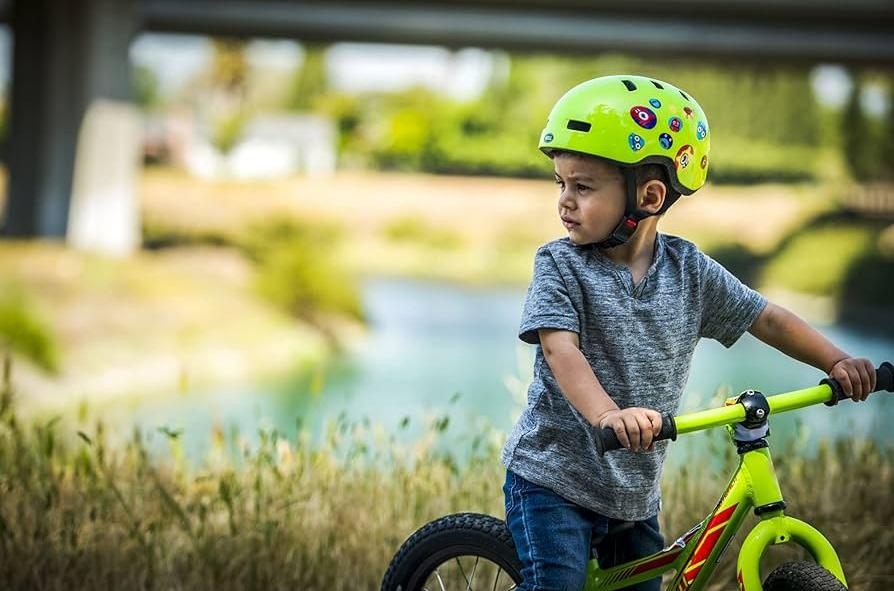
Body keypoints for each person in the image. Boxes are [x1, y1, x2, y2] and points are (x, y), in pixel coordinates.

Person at [500, 74, 876, 591]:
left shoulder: (689, 271)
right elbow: (559, 348)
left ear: (649, 196)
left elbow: (765, 317)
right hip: (553, 481)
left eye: (582, 186)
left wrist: (835, 362)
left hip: (633, 493)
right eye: (561, 183)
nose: (565, 200)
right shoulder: (560, 266)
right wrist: (608, 414)